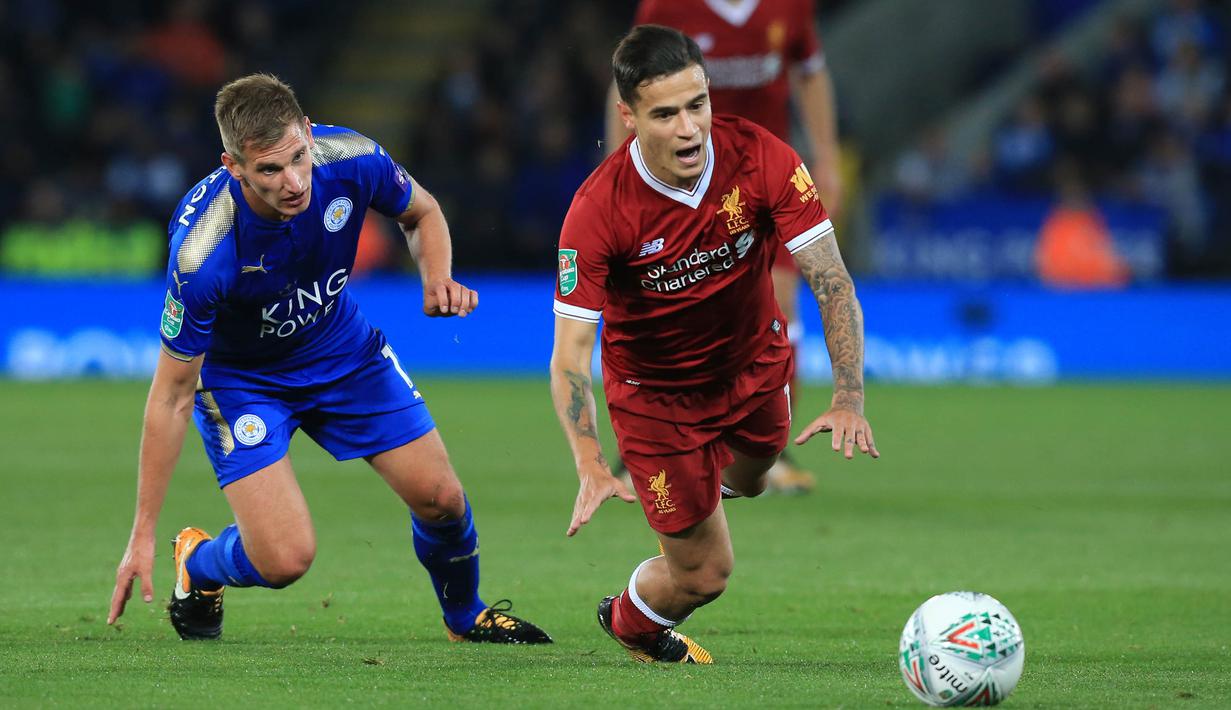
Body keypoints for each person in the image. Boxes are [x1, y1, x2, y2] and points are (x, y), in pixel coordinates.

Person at [107, 73, 551, 645]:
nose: (293, 181)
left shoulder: (352, 157)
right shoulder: (202, 251)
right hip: (245, 381)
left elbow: (423, 212)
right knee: (285, 559)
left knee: (442, 499)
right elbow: (170, 395)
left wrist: (436, 276)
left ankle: (465, 616)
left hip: (342, 350)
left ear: (309, 133)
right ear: (233, 165)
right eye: (269, 170)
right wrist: (142, 532)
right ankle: (198, 565)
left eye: (298, 158)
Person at [552, 26, 877, 664]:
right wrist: (590, 459)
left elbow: (831, 280)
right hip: (657, 405)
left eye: (697, 105)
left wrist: (848, 395)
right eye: (665, 113)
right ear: (628, 117)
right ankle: (628, 619)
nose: (688, 128)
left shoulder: (763, 159)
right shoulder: (597, 211)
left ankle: (703, 485)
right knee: (707, 576)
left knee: (754, 479)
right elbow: (569, 356)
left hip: (756, 371)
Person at [605, 0, 842, 494]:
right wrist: (617, 172)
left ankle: (769, 451)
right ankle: (642, 449)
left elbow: (811, 73)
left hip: (759, 182)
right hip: (680, 186)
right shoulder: (668, 6)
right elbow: (625, 87)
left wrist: (827, 156)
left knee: (780, 305)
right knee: (660, 313)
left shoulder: (790, 7)